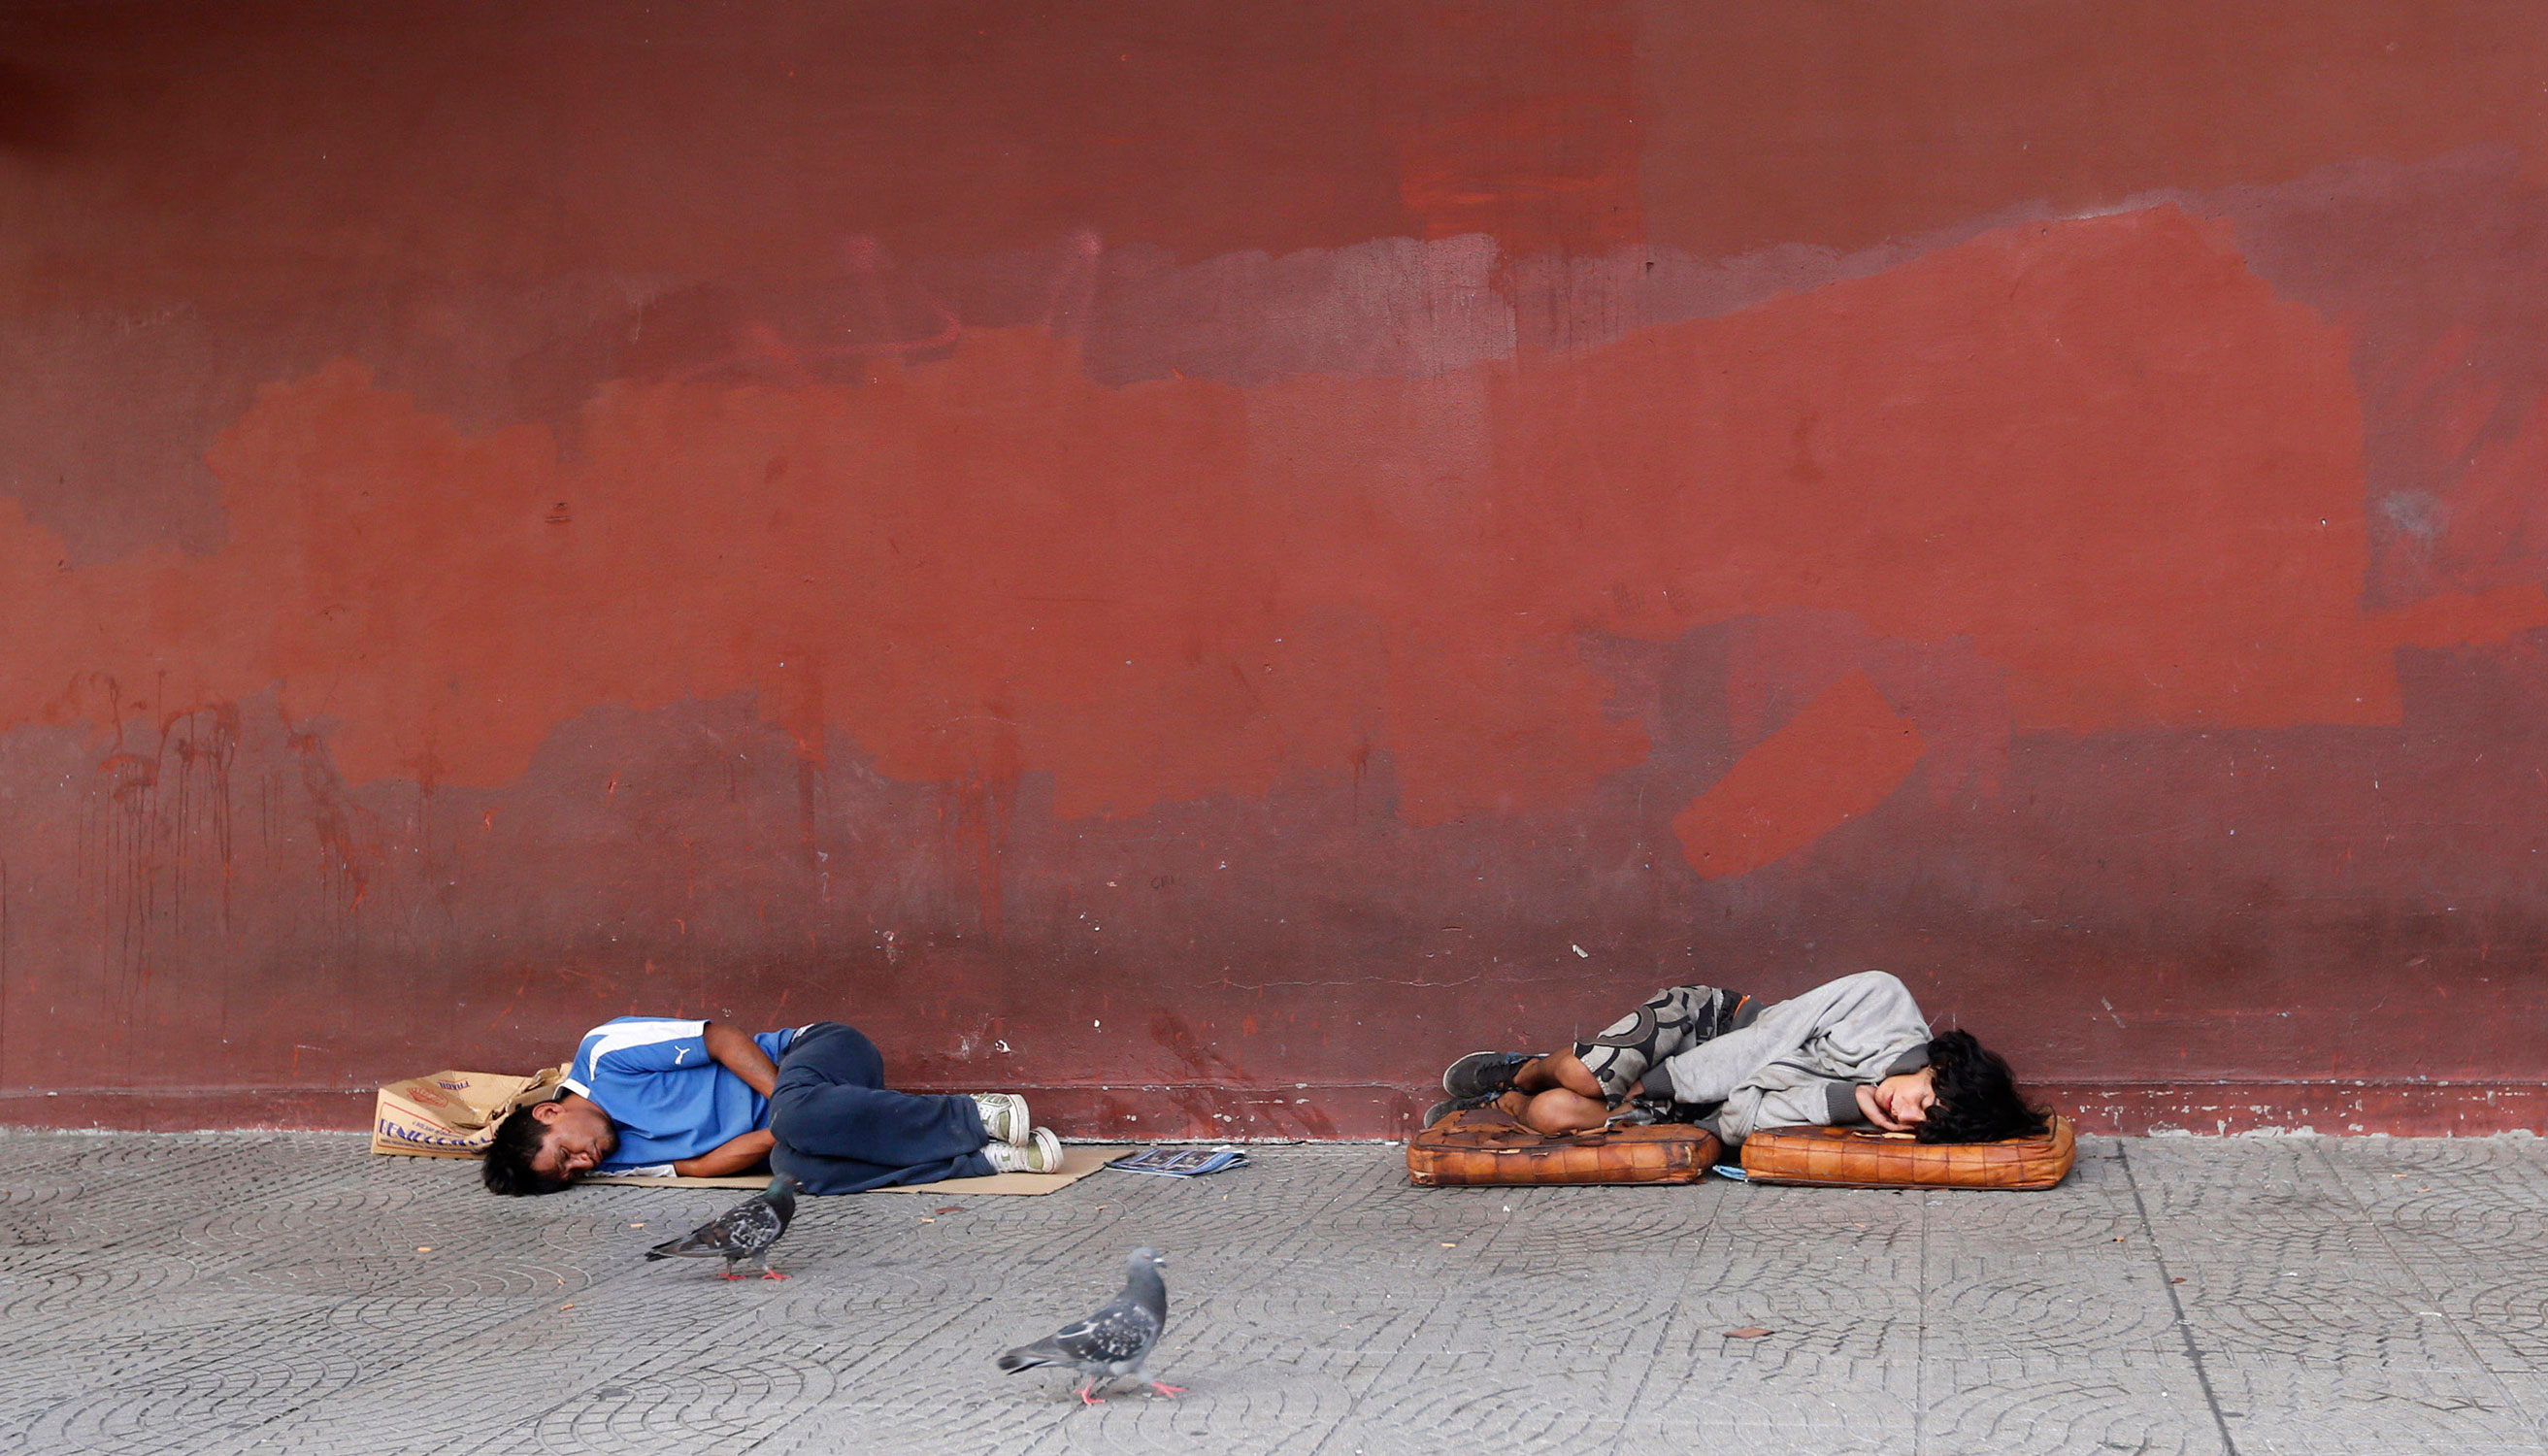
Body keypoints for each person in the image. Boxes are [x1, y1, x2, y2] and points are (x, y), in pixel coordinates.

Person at [1431, 971, 2046, 1146]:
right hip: (1709, 1028)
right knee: (1580, 1074)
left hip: (1706, 1107)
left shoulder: (1875, 1118)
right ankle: (1519, 1068)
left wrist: (1841, 1100)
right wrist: (1666, 1080)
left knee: (1556, 1116)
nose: (1909, 1114)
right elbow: (1770, 1037)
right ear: (1941, 1068)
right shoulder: (1882, 1001)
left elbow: (1743, 1123)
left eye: (1926, 1124)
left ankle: (1501, 1103)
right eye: (1927, 1102)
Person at [481, 1015, 1066, 1196]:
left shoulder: (604, 1053)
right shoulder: (613, 1159)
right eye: (571, 1175)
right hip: (813, 1121)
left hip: (817, 1053)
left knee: (799, 1120)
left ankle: (976, 1115)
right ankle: (989, 1159)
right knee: (795, 1170)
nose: (584, 1165)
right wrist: (787, 1138)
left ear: (548, 1114)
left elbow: (721, 1037)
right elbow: (699, 1168)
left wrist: (789, 1108)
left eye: (565, 1155)